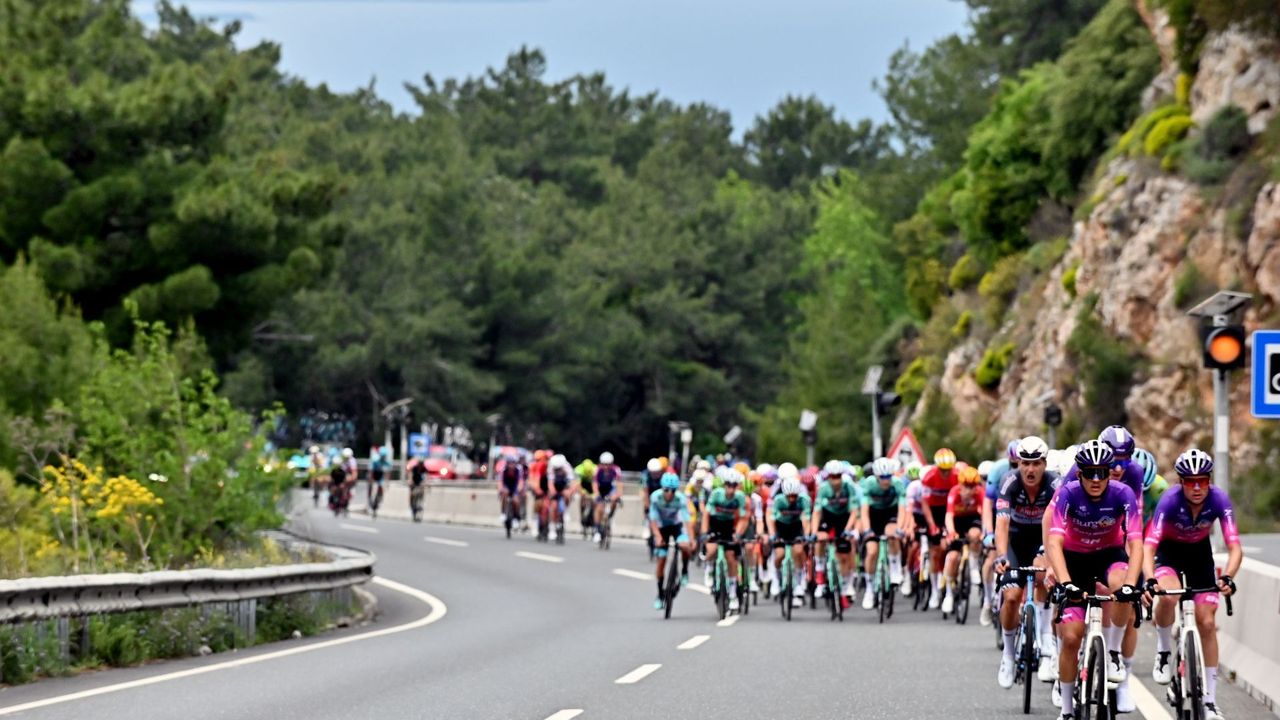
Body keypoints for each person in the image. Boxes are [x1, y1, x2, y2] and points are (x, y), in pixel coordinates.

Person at [1045, 440, 1144, 720]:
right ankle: (1066, 709)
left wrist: (1131, 584)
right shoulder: (1068, 493)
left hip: (1108, 555)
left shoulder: (1123, 493)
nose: (1097, 479)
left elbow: (1136, 542)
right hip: (1074, 559)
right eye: (1090, 473)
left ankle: (1112, 653)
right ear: (1080, 474)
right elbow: (1054, 542)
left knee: (1122, 585)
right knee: (1071, 637)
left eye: (1102, 472)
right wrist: (1065, 582)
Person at [1143, 449, 1241, 720]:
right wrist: (1150, 579)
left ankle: (1209, 702)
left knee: (1206, 623)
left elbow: (1234, 546)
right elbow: (1149, 545)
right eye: (1190, 481)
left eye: (1202, 480)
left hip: (1200, 556)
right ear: (1180, 482)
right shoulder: (1169, 501)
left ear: (1209, 480)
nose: (1197, 487)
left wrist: (1228, 577)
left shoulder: (1219, 499)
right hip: (1169, 553)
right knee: (1169, 596)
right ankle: (1164, 650)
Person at [993, 435, 1059, 688]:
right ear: (1018, 464)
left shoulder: (1055, 483)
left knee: (1042, 573)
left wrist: (1053, 560)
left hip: (1042, 539)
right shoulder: (1009, 481)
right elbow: (1002, 523)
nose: (1030, 469)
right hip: (1015, 541)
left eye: (1036, 463)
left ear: (1045, 464)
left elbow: (1058, 525)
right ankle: (1009, 655)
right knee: (1011, 597)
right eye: (1025, 463)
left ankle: (1045, 641)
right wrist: (1001, 556)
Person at [860, 457, 906, 609]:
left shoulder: (897, 484)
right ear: (876, 476)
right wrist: (867, 530)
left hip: (890, 513)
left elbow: (902, 509)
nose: (886, 480)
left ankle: (895, 568)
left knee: (892, 533)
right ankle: (869, 589)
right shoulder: (869, 484)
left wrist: (900, 529)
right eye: (882, 477)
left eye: (888, 476)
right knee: (872, 552)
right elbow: (864, 511)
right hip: (873, 515)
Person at [811, 460, 861, 602]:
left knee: (845, 553)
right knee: (820, 540)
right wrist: (814, 532)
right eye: (832, 477)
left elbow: (854, 511)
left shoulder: (848, 487)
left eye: (838, 476)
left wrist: (848, 530)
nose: (836, 480)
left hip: (844, 519)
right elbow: (817, 512)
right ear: (828, 477)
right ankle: (820, 577)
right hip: (827, 518)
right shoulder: (823, 489)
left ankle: (846, 584)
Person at [702, 469, 749, 611]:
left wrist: (738, 534)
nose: (731, 488)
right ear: (724, 485)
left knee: (731, 557)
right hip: (715, 523)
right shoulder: (716, 494)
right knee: (711, 550)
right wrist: (704, 533)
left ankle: (733, 593)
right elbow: (706, 514)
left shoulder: (740, 497)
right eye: (728, 485)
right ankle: (710, 569)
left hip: (729, 526)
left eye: (734, 485)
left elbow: (743, 518)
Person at [942, 463, 984, 615]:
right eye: (966, 486)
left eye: (973, 486)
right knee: (953, 557)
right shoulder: (954, 493)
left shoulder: (980, 492)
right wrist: (951, 532)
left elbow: (984, 513)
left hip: (972, 520)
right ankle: (948, 593)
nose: (970, 490)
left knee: (975, 535)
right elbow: (949, 516)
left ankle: (973, 566)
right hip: (957, 522)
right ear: (960, 485)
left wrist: (985, 532)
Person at [649, 472, 693, 610]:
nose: (669, 493)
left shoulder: (680, 499)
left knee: (685, 546)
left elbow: (687, 520)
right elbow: (653, 520)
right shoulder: (655, 497)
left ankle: (684, 570)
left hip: (676, 526)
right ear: (662, 488)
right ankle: (660, 595)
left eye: (673, 490)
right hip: (661, 527)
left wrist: (691, 539)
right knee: (661, 559)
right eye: (667, 490)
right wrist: (658, 537)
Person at [922, 448, 960, 609]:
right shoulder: (929, 477)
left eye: (948, 470)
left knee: (949, 548)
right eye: (942, 470)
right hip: (934, 512)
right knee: (935, 552)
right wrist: (931, 525)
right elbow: (925, 504)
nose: (945, 473)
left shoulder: (957, 476)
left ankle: (952, 578)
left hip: (950, 511)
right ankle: (934, 591)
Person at [766, 477, 812, 607]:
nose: (792, 499)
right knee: (780, 554)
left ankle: (798, 584)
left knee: (798, 551)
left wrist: (806, 536)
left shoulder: (803, 500)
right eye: (789, 496)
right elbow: (771, 519)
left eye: (794, 496)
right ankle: (776, 579)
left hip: (796, 527)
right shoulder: (778, 500)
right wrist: (772, 534)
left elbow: (806, 519)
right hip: (781, 528)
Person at [1132, 448, 1168, 527]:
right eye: (1132, 491)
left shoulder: (1159, 487)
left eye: (1144, 492)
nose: (1139, 497)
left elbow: (1158, 524)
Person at [593, 452, 622, 541]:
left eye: (608, 464)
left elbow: (619, 484)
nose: (606, 467)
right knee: (599, 507)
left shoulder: (616, 469)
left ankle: (610, 517)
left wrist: (618, 495)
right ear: (601, 464)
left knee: (614, 501)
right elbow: (595, 484)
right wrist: (597, 494)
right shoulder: (597, 469)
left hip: (610, 489)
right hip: (601, 489)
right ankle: (597, 530)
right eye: (604, 464)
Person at [576, 456, 598, 531]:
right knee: (582, 497)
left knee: (595, 500)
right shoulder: (579, 469)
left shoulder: (595, 469)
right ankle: (582, 512)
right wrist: (582, 492)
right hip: (583, 485)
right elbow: (577, 484)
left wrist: (595, 494)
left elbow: (596, 484)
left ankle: (593, 516)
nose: (588, 473)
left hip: (592, 485)